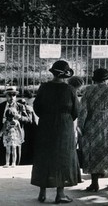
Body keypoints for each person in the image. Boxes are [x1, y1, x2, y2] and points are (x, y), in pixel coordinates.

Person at [31, 60, 79, 204]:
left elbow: (36, 107)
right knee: (63, 157)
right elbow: (76, 111)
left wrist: (47, 116)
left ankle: (42, 193)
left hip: (46, 124)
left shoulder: (44, 87)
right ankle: (60, 193)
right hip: (64, 126)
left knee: (44, 156)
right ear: (65, 74)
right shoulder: (70, 89)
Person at [77, 68, 108, 192]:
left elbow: (83, 110)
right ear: (106, 79)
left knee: (93, 151)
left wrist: (80, 126)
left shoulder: (88, 90)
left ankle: (94, 183)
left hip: (93, 123)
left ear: (95, 79)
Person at [0, 86, 31, 166]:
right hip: (4, 134)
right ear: (6, 96)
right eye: (10, 95)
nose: (12, 97)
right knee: (2, 157)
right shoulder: (0, 106)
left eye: (14, 95)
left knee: (16, 156)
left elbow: (29, 120)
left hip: (16, 135)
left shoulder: (20, 107)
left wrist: (20, 117)